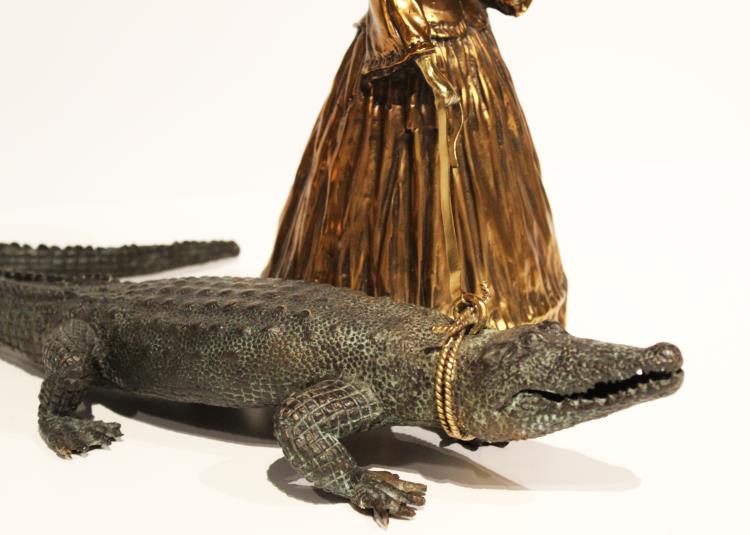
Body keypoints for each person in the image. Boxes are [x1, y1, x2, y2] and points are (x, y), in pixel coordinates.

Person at [264, 0, 567, 329]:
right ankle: (395, 327)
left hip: (466, 48)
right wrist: (417, 50)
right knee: (398, 183)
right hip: (408, 66)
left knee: (487, 184)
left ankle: (505, 312)